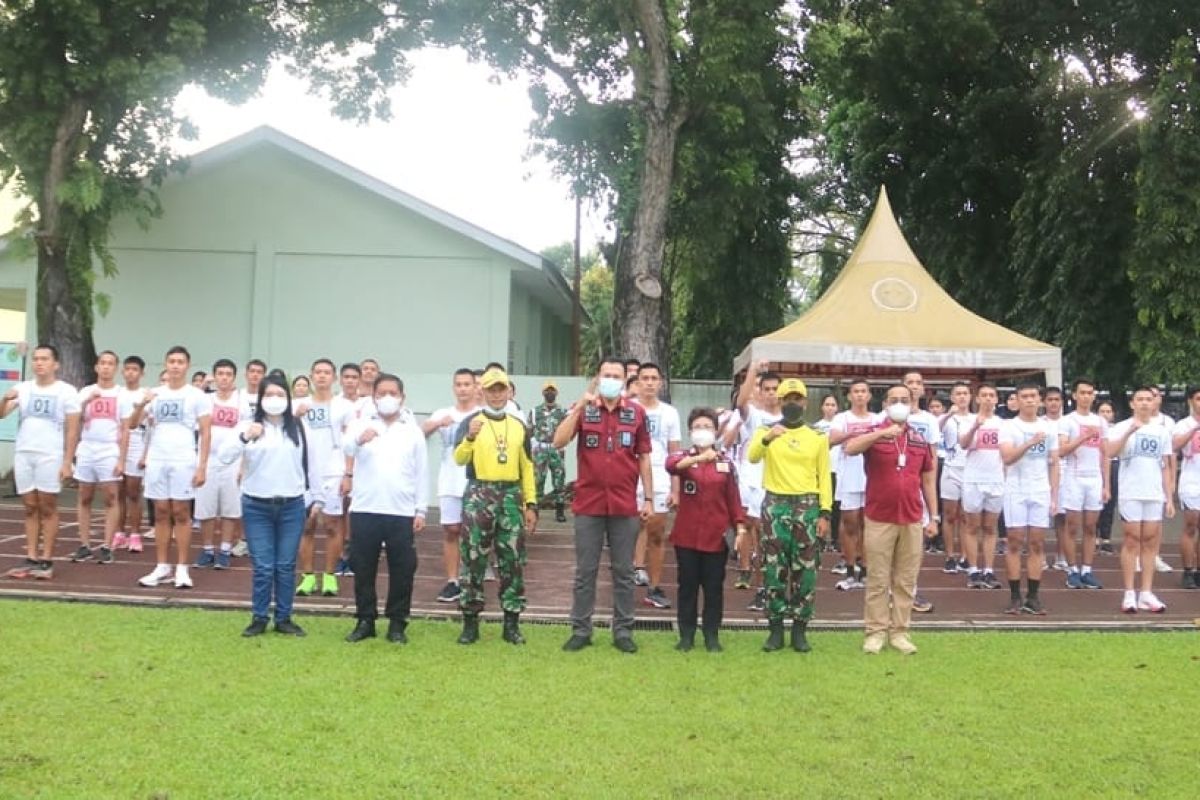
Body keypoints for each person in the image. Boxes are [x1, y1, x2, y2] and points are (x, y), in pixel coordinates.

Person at [553, 357, 653, 654]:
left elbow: (644, 457)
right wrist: (580, 407)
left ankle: (623, 630)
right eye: (605, 374)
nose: (610, 379)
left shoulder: (636, 414)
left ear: (624, 380)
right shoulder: (585, 410)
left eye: (616, 375)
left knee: (624, 571)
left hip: (624, 505)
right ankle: (581, 630)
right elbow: (558, 441)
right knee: (586, 571)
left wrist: (648, 497)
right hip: (589, 504)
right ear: (598, 378)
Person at [843, 385, 937, 654]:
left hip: (911, 517)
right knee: (878, 578)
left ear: (912, 404)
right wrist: (882, 433)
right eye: (894, 400)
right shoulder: (874, 433)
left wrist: (934, 516)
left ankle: (900, 632)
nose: (899, 404)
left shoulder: (919, 439)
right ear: (884, 404)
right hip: (879, 517)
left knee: (906, 579)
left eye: (904, 400)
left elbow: (928, 479)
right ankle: (875, 632)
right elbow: (850, 448)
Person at [452, 368, 538, 645]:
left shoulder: (519, 426)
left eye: (501, 389)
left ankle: (511, 622)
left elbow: (527, 467)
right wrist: (470, 438)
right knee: (474, 557)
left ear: (509, 391)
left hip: (511, 494)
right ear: (483, 392)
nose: (497, 394)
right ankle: (470, 621)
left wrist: (531, 503)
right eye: (491, 389)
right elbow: (459, 458)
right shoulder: (470, 422)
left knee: (512, 559)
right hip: (480, 492)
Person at [747, 378, 833, 653]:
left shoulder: (817, 436)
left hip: (807, 505)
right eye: (787, 399)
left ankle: (799, 628)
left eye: (797, 399)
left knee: (805, 570)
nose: (792, 404)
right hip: (776, 503)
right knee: (774, 568)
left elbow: (824, 476)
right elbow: (751, 456)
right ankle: (774, 629)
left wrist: (825, 513)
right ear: (779, 403)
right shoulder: (767, 430)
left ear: (805, 403)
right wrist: (767, 437)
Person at [220, 374, 308, 637]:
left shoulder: (297, 427)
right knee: (263, 565)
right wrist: (245, 437)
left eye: (280, 395)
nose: (275, 400)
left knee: (285, 564)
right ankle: (259, 616)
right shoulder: (248, 426)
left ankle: (284, 617)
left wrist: (314, 496)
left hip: (292, 505)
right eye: (269, 395)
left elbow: (309, 462)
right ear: (260, 399)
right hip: (257, 505)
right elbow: (224, 456)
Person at [342, 374, 428, 643]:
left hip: (401, 511)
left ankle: (397, 623)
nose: (387, 398)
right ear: (374, 396)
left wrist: (421, 509)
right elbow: (344, 446)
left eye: (393, 392)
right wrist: (358, 440)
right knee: (363, 567)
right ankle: (365, 619)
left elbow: (421, 471)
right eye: (382, 393)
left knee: (402, 569)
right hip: (366, 508)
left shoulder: (411, 429)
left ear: (402, 397)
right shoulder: (360, 423)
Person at [129, 345, 212, 588]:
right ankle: (162, 566)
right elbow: (133, 424)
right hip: (157, 460)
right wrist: (140, 405)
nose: (175, 365)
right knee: (161, 512)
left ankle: (182, 568)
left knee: (181, 513)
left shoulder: (196, 395)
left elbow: (206, 432)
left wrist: (202, 466)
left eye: (180, 362)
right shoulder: (154, 394)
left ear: (187, 365)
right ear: (165, 364)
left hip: (183, 459)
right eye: (171, 361)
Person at [667, 407, 745, 652]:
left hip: (715, 537)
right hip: (687, 537)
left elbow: (733, 499)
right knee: (687, 586)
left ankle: (711, 634)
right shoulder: (684, 458)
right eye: (698, 427)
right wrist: (698, 458)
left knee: (713, 588)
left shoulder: (725, 463)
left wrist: (740, 529)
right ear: (690, 431)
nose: (703, 431)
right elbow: (672, 466)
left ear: (715, 431)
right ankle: (686, 635)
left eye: (708, 427)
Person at [0, 344, 81, 579]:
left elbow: (73, 429)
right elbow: (2, 413)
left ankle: (46, 558)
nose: (39, 363)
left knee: (47, 506)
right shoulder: (23, 388)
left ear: (55, 364)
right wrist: (5, 398)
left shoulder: (65, 391)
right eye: (36, 359)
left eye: (44, 359)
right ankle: (31, 556)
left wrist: (67, 461)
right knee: (29, 506)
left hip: (50, 454)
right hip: (25, 452)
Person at [1106, 386, 1175, 613]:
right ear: (1132, 403)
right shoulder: (1120, 427)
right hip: (1131, 492)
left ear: (1154, 403)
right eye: (1140, 399)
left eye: (1149, 399)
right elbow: (1110, 452)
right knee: (1132, 539)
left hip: (1153, 492)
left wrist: (1169, 497)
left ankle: (1146, 592)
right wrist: (1128, 433)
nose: (1145, 403)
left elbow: (1165, 465)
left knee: (1151, 541)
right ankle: (1129, 593)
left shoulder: (1162, 431)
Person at [998, 382, 1060, 615]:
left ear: (1040, 400)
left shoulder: (1050, 428)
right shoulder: (1008, 427)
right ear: (1018, 399)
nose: (1030, 400)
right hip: (1016, 489)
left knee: (1037, 542)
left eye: (1033, 396)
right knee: (1014, 542)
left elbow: (1054, 463)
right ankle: (1015, 595)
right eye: (1024, 396)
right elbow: (1007, 458)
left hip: (1040, 489)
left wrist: (1054, 495)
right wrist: (1029, 443)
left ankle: (1033, 596)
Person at [294, 358, 353, 597]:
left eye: (326, 373)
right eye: (317, 372)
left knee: (332, 525)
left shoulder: (344, 406)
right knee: (306, 526)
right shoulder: (298, 405)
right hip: (305, 473)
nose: (321, 376)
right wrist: (295, 416)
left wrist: (348, 473)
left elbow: (350, 442)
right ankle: (308, 576)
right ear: (311, 375)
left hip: (334, 471)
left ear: (334, 377)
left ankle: (329, 575)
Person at [423, 367, 482, 603]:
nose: (463, 389)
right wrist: (437, 423)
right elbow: (420, 432)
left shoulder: (483, 414)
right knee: (451, 530)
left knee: (475, 533)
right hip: (449, 478)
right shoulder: (443, 413)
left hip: (475, 477)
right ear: (453, 388)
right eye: (458, 384)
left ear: (475, 387)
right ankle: (452, 581)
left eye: (467, 384)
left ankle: (473, 580)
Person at [732, 363, 783, 611]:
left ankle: (765, 587)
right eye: (768, 389)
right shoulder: (754, 415)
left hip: (775, 482)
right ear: (760, 391)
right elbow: (741, 401)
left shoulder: (789, 419)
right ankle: (745, 570)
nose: (772, 393)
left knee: (766, 536)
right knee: (748, 526)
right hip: (750, 479)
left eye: (776, 389)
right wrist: (752, 369)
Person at [631, 362, 682, 610]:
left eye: (654, 378)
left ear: (660, 382)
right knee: (628, 532)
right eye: (645, 378)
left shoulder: (670, 413)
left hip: (660, 479)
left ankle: (654, 587)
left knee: (657, 534)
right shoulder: (627, 408)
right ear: (637, 381)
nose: (650, 382)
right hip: (629, 479)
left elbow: (675, 454)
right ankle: (630, 576)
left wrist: (675, 488)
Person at [71, 350, 128, 566]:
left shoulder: (121, 394)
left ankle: (107, 545)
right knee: (84, 496)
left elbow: (125, 429)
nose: (105, 367)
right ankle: (84, 544)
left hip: (109, 449)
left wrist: (121, 459)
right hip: (87, 448)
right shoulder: (86, 392)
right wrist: (86, 401)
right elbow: (74, 420)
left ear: (115, 368)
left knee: (111, 497)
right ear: (96, 367)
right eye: (102, 363)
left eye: (110, 363)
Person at [193, 359, 246, 570]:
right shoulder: (205, 399)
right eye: (220, 373)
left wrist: (242, 465)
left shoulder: (240, 401)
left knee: (230, 509)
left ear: (233, 378)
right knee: (205, 509)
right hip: (208, 459)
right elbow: (190, 397)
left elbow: (246, 434)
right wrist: (205, 384)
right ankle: (207, 549)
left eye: (228, 374)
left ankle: (224, 549)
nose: (224, 378)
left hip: (232, 461)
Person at [1057, 378, 1109, 589]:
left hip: (1094, 478)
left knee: (1090, 527)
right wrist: (1083, 437)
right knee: (1072, 527)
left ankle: (1087, 569)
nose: (1086, 396)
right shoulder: (1067, 421)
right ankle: (1071, 570)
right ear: (1075, 395)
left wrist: (1107, 485)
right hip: (1074, 476)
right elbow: (1062, 451)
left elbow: (1105, 454)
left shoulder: (1101, 421)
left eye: (1090, 393)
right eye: (1083, 393)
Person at [827, 379, 875, 591]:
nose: (859, 395)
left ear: (869, 395)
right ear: (849, 396)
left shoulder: (877, 418)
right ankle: (849, 569)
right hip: (849, 475)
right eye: (855, 391)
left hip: (872, 476)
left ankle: (865, 570)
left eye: (863, 391)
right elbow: (832, 438)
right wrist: (855, 434)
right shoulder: (841, 418)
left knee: (868, 525)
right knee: (849, 524)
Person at [958, 383, 1005, 589]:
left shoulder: (1003, 424)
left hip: (996, 479)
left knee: (989, 527)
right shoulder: (967, 420)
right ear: (977, 399)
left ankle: (989, 570)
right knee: (972, 526)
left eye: (991, 395)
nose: (987, 399)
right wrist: (976, 426)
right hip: (973, 480)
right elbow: (963, 444)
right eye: (984, 395)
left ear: (996, 400)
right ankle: (973, 569)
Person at [940, 381, 974, 574]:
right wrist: (949, 414)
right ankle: (949, 556)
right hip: (951, 469)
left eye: (965, 393)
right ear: (952, 398)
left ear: (970, 397)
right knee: (950, 515)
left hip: (970, 470)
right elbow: (936, 428)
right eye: (958, 394)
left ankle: (965, 555)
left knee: (966, 516)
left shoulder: (976, 418)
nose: (962, 397)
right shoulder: (948, 419)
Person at [116, 355, 149, 553]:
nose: (130, 373)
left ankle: (135, 533)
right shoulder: (118, 393)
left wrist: (146, 453)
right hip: (116, 444)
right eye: (127, 369)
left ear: (142, 373)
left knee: (133, 493)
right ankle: (119, 533)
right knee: (117, 493)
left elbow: (149, 425)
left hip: (136, 444)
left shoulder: (146, 395)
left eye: (134, 369)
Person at [529, 380, 569, 523]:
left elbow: (568, 430)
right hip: (540, 449)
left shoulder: (563, 412)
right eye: (547, 391)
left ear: (556, 393)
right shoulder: (535, 411)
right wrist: (532, 446)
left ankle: (559, 511)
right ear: (543, 393)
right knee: (537, 480)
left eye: (552, 391)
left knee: (559, 480)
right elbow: (529, 430)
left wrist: (563, 444)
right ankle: (535, 511)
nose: (550, 393)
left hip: (556, 449)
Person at [1172, 386, 1200, 589]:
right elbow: (1174, 446)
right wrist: (1194, 430)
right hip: (1192, 480)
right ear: (1191, 401)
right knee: (1191, 525)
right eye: (1198, 399)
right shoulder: (1184, 424)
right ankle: (1188, 571)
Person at [1096, 400, 1119, 554]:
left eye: (1108, 411)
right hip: (1095, 466)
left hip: (1114, 465)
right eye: (1102, 411)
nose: (1105, 414)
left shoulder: (1118, 429)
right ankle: (1094, 536)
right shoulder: (1092, 428)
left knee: (1110, 503)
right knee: (1096, 502)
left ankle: (1106, 537)